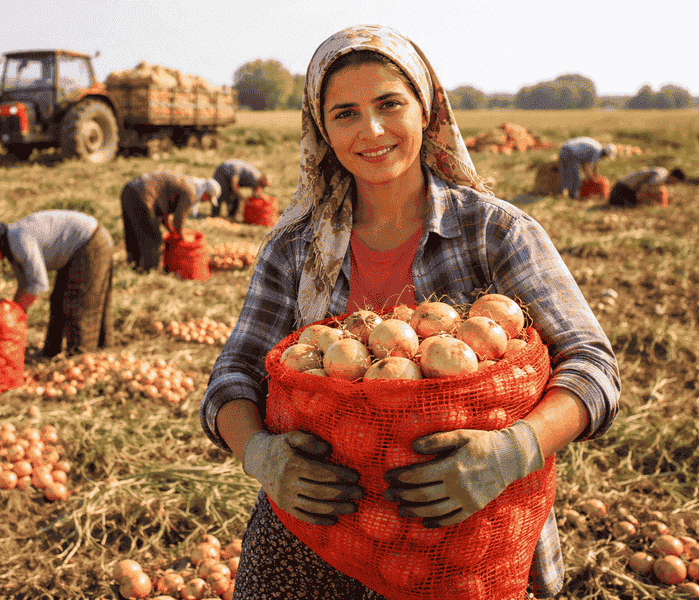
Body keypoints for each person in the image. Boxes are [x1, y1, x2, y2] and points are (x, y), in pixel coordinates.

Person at [199, 25, 619, 599]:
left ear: (427, 109)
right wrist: (261, 455)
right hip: (318, 527)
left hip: (462, 537)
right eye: (344, 113)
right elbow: (233, 374)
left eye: (389, 104)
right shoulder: (295, 247)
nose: (370, 131)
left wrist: (513, 451)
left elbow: (593, 366)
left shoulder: (496, 232)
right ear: (322, 130)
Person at [0, 210, 114, 358]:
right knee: (58, 301)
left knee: (78, 303)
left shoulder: (19, 240)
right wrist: (13, 312)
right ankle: (51, 353)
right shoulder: (11, 248)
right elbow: (25, 286)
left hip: (90, 240)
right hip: (74, 249)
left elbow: (39, 285)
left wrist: (10, 316)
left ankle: (81, 359)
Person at [119, 170, 221, 272]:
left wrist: (172, 232)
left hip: (129, 189)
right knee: (153, 237)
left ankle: (133, 264)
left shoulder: (186, 182)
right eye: (207, 198)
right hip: (143, 195)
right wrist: (181, 237)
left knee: (132, 230)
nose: (204, 201)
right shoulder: (191, 191)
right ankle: (149, 270)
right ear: (205, 193)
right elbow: (178, 218)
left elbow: (165, 216)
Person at [608, 166, 685, 207]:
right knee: (633, 206)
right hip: (622, 190)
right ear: (674, 178)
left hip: (625, 189)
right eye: (676, 182)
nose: (674, 184)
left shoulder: (663, 174)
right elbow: (646, 187)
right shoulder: (661, 175)